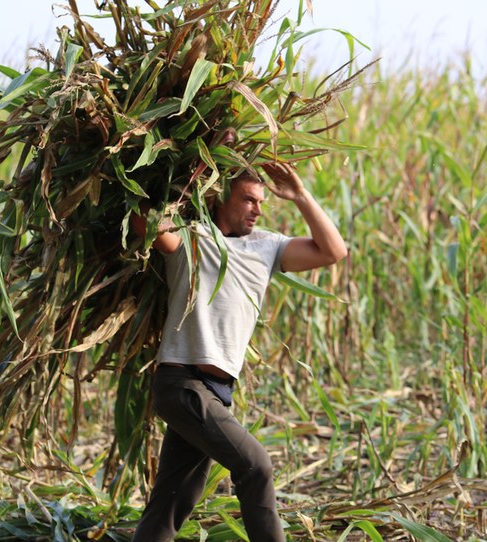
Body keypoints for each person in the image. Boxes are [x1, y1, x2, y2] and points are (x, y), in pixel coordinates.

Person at [131, 162, 347, 541]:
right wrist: (190, 180)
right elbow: (142, 223)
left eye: (260, 201)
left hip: (218, 394)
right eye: (248, 199)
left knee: (171, 504)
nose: (257, 209)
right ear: (219, 196)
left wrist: (299, 195)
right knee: (256, 466)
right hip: (181, 383)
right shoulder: (192, 237)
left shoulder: (267, 246)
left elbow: (333, 251)